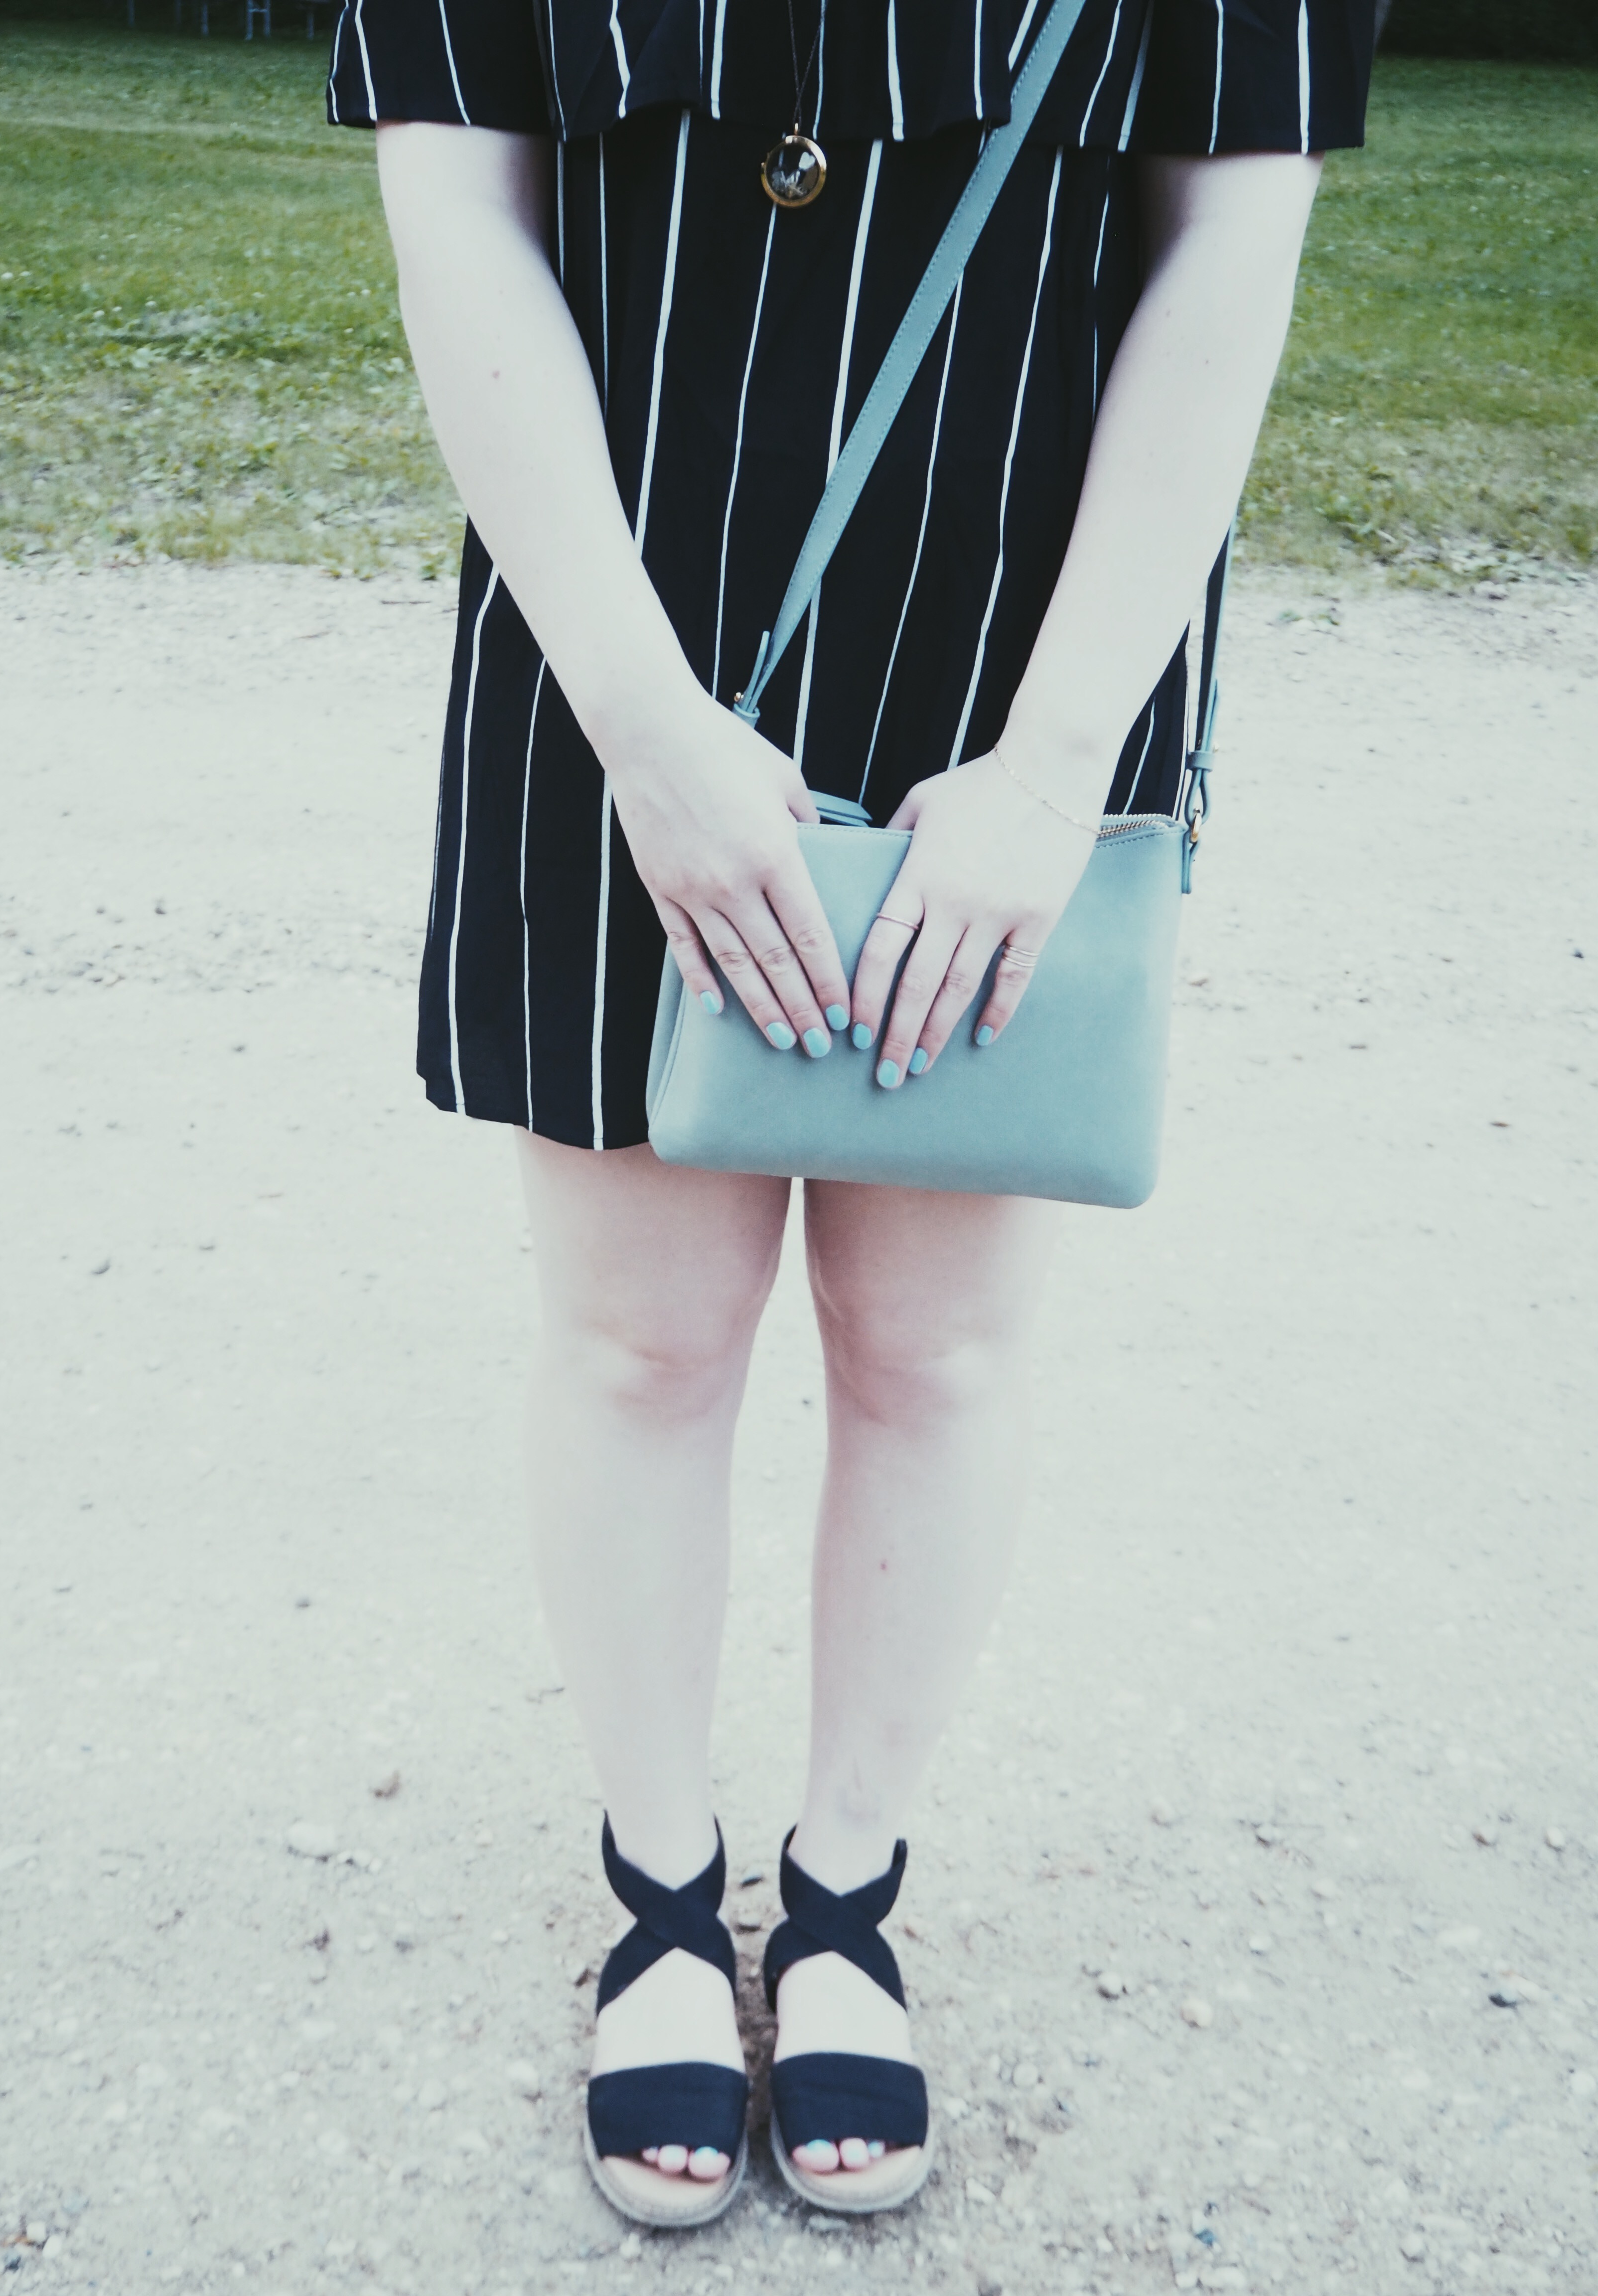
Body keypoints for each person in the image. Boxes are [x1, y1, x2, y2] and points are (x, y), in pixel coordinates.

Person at [327, 0, 1372, 2231]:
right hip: (610, 610)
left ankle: (848, 1901)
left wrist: (1065, 756)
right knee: (639, 1339)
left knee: (938, 1346)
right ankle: (663, 1903)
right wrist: (637, 719)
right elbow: (460, 195)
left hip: (1032, 653)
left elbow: (1229, 228)